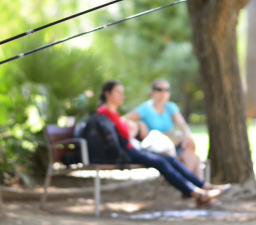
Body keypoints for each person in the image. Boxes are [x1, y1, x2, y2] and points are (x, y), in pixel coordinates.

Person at [96, 80, 227, 205]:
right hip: (125, 151)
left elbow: (123, 127)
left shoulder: (113, 113)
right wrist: (137, 127)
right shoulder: (104, 113)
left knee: (170, 158)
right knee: (161, 162)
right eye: (118, 92)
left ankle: (203, 186)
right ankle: (197, 193)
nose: (122, 96)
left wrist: (136, 126)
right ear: (108, 94)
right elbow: (120, 135)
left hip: (136, 148)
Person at [124, 79, 202, 180]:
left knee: (191, 154)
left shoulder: (171, 107)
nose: (163, 93)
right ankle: (195, 187)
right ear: (152, 92)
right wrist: (138, 126)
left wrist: (187, 136)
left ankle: (194, 186)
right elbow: (124, 120)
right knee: (191, 155)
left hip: (173, 144)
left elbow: (182, 124)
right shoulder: (146, 108)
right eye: (160, 89)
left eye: (167, 90)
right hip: (158, 147)